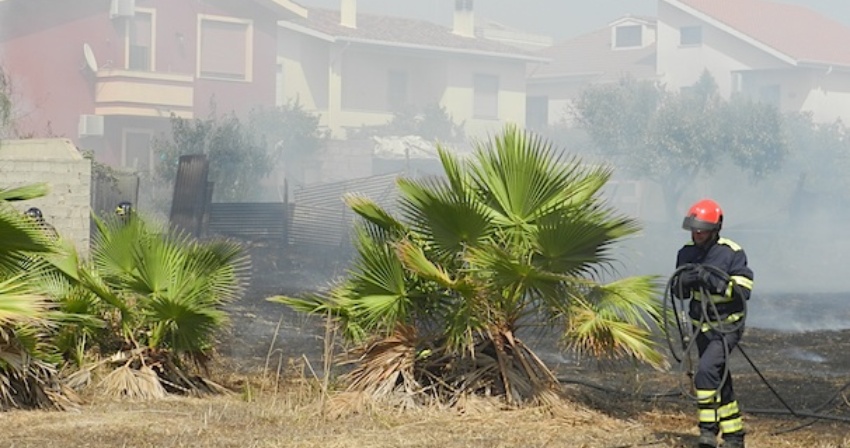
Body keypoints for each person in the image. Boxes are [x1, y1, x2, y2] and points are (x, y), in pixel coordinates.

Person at [672, 199, 754, 448]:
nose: (697, 233)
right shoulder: (685, 252)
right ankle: (734, 435)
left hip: (726, 326)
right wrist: (685, 281)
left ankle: (707, 431)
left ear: (716, 228)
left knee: (706, 372)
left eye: (702, 229)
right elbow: (678, 292)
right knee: (719, 376)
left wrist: (715, 281)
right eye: (694, 229)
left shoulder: (732, 252)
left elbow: (744, 290)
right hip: (701, 326)